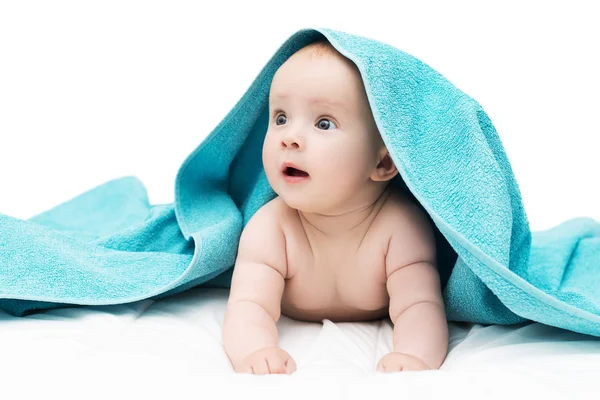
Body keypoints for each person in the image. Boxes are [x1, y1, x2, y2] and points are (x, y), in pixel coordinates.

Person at [221, 40, 448, 374]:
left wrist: (415, 356)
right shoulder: (271, 228)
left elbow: (421, 305)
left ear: (383, 162)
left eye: (323, 123)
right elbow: (247, 305)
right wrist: (254, 350)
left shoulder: (400, 228)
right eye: (281, 117)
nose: (290, 137)